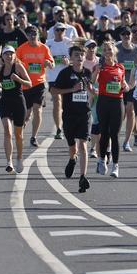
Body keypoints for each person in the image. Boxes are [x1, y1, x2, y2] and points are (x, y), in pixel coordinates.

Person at [50, 45, 95, 193]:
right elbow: (53, 90)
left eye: (82, 55)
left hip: (84, 114)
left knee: (83, 145)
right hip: (69, 114)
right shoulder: (65, 73)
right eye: (76, 55)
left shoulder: (88, 73)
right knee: (72, 146)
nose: (80, 57)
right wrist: (71, 90)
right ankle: (72, 159)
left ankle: (83, 177)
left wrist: (92, 91)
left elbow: (93, 93)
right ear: (71, 58)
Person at [0, 46, 32, 173]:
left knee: (18, 135)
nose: (8, 56)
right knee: (7, 132)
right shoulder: (0, 68)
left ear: (14, 56)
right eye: (6, 54)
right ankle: (8, 161)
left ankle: (19, 158)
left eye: (11, 54)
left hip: (18, 103)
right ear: (2, 57)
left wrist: (18, 79)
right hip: (5, 102)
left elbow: (29, 83)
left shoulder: (18, 67)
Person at [93, 41, 128, 178]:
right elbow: (93, 80)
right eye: (105, 50)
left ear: (115, 51)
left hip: (117, 102)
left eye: (110, 49)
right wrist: (96, 71)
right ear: (103, 53)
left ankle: (115, 165)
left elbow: (123, 83)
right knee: (104, 133)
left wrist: (125, 86)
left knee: (115, 134)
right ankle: (102, 160)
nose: (108, 52)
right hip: (103, 102)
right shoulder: (100, 67)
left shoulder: (120, 67)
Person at [16, 25, 54, 147]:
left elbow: (52, 64)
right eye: (30, 34)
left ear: (38, 35)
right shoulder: (22, 49)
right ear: (27, 36)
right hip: (26, 84)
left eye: (35, 34)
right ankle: (21, 130)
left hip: (39, 83)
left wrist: (49, 63)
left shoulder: (44, 48)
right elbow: (15, 63)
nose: (33, 36)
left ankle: (33, 136)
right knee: (26, 114)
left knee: (38, 110)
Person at [46, 22, 72, 139]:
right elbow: (45, 60)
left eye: (62, 30)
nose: (60, 32)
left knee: (68, 104)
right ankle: (58, 128)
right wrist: (48, 62)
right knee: (57, 101)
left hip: (67, 76)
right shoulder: (48, 44)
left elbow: (77, 59)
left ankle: (69, 126)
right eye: (58, 30)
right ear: (54, 31)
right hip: (53, 77)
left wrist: (69, 62)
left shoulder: (69, 42)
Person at [116, 26, 137, 151]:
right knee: (120, 113)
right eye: (123, 34)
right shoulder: (116, 49)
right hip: (117, 85)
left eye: (128, 34)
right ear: (120, 36)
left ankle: (126, 141)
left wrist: (130, 85)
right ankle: (114, 138)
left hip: (131, 84)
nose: (126, 36)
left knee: (130, 110)